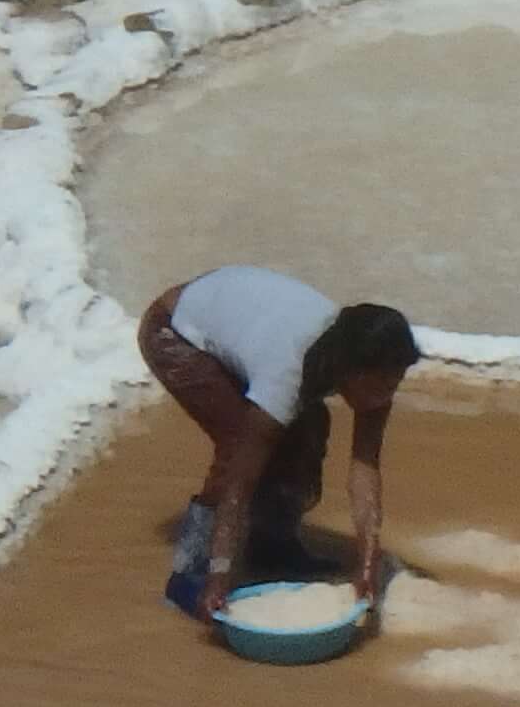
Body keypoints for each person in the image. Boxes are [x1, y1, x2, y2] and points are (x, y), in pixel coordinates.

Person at [137, 265, 419, 628]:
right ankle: (192, 570)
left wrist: (366, 568)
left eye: (394, 384)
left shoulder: (361, 365)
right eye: (381, 385)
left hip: (237, 314)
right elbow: (240, 478)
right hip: (173, 330)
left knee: (311, 425)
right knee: (241, 440)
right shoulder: (286, 370)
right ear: (351, 370)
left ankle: (274, 545)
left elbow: (365, 467)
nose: (387, 396)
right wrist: (221, 576)